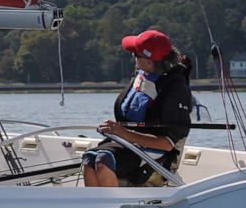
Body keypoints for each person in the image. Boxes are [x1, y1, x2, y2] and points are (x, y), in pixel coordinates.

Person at [82, 29, 192, 187]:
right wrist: (116, 130)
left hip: (154, 151)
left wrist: (124, 133)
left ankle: (111, 207)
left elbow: (167, 144)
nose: (132, 57)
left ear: (149, 62)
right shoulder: (143, 76)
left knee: (103, 161)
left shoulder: (174, 89)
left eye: (136, 54)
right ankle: (94, 207)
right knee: (89, 159)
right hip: (127, 143)